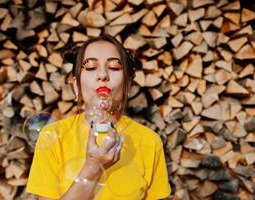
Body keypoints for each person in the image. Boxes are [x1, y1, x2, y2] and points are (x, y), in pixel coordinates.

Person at [26, 34, 171, 200]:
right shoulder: (53, 137)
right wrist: (93, 167)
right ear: (76, 85)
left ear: (128, 85)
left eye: (114, 67)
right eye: (91, 67)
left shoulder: (150, 141)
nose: (102, 75)